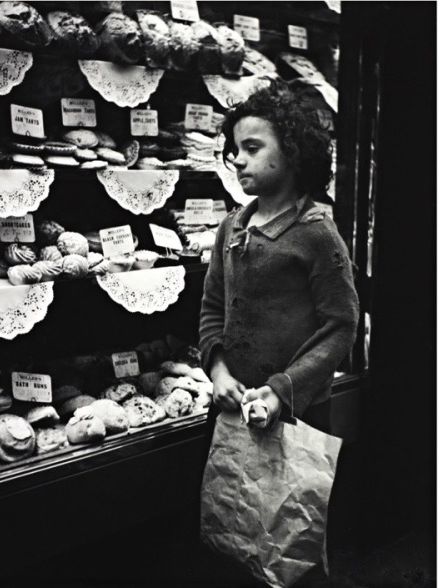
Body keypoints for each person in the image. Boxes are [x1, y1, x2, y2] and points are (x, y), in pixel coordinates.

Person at [198, 78, 360, 586]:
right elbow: (211, 307)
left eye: (252, 148)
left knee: (291, 536)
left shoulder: (315, 232)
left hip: (297, 414)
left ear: (290, 153)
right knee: (233, 528)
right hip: (231, 408)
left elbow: (341, 326)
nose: (239, 160)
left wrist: (282, 390)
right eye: (234, 151)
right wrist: (217, 368)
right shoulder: (231, 227)